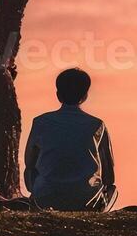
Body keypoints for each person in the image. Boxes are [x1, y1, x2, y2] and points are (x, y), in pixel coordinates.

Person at [23, 68, 119, 212]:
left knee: (32, 169)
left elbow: (29, 162)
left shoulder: (41, 122)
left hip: (46, 197)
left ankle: (36, 202)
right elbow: (109, 176)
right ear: (85, 95)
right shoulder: (96, 125)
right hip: (85, 201)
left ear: (58, 95)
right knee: (112, 189)